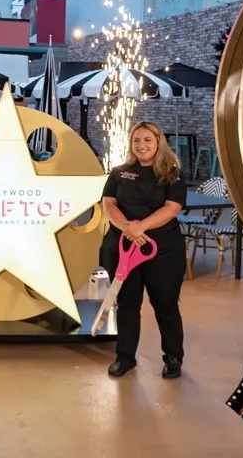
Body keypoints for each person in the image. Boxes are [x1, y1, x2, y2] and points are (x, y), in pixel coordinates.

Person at [100, 121, 188, 378]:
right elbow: (108, 203)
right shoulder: (119, 173)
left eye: (147, 140)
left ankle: (173, 358)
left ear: (159, 142)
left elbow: (172, 208)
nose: (141, 145)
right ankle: (125, 357)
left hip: (163, 252)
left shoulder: (172, 174)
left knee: (166, 305)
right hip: (124, 250)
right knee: (127, 304)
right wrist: (128, 228)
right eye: (136, 140)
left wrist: (141, 227)